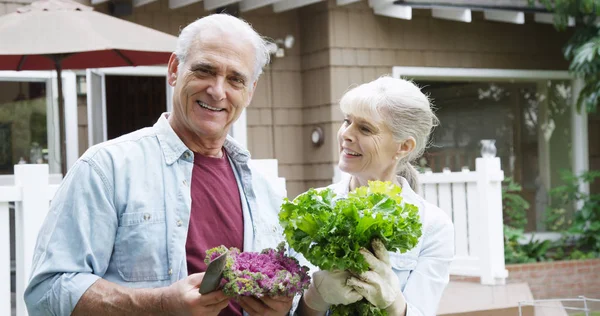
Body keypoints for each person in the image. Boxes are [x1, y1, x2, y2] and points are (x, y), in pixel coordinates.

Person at [24, 14, 294, 316]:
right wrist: (160, 305)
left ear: (251, 90)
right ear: (175, 70)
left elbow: (297, 299)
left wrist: (287, 306)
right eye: (205, 71)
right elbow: (48, 291)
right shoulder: (107, 169)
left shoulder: (265, 193)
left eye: (235, 79)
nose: (218, 91)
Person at [298, 76, 455, 316]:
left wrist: (394, 305)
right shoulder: (310, 210)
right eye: (346, 121)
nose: (346, 135)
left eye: (364, 128)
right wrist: (314, 298)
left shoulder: (433, 226)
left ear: (403, 147)